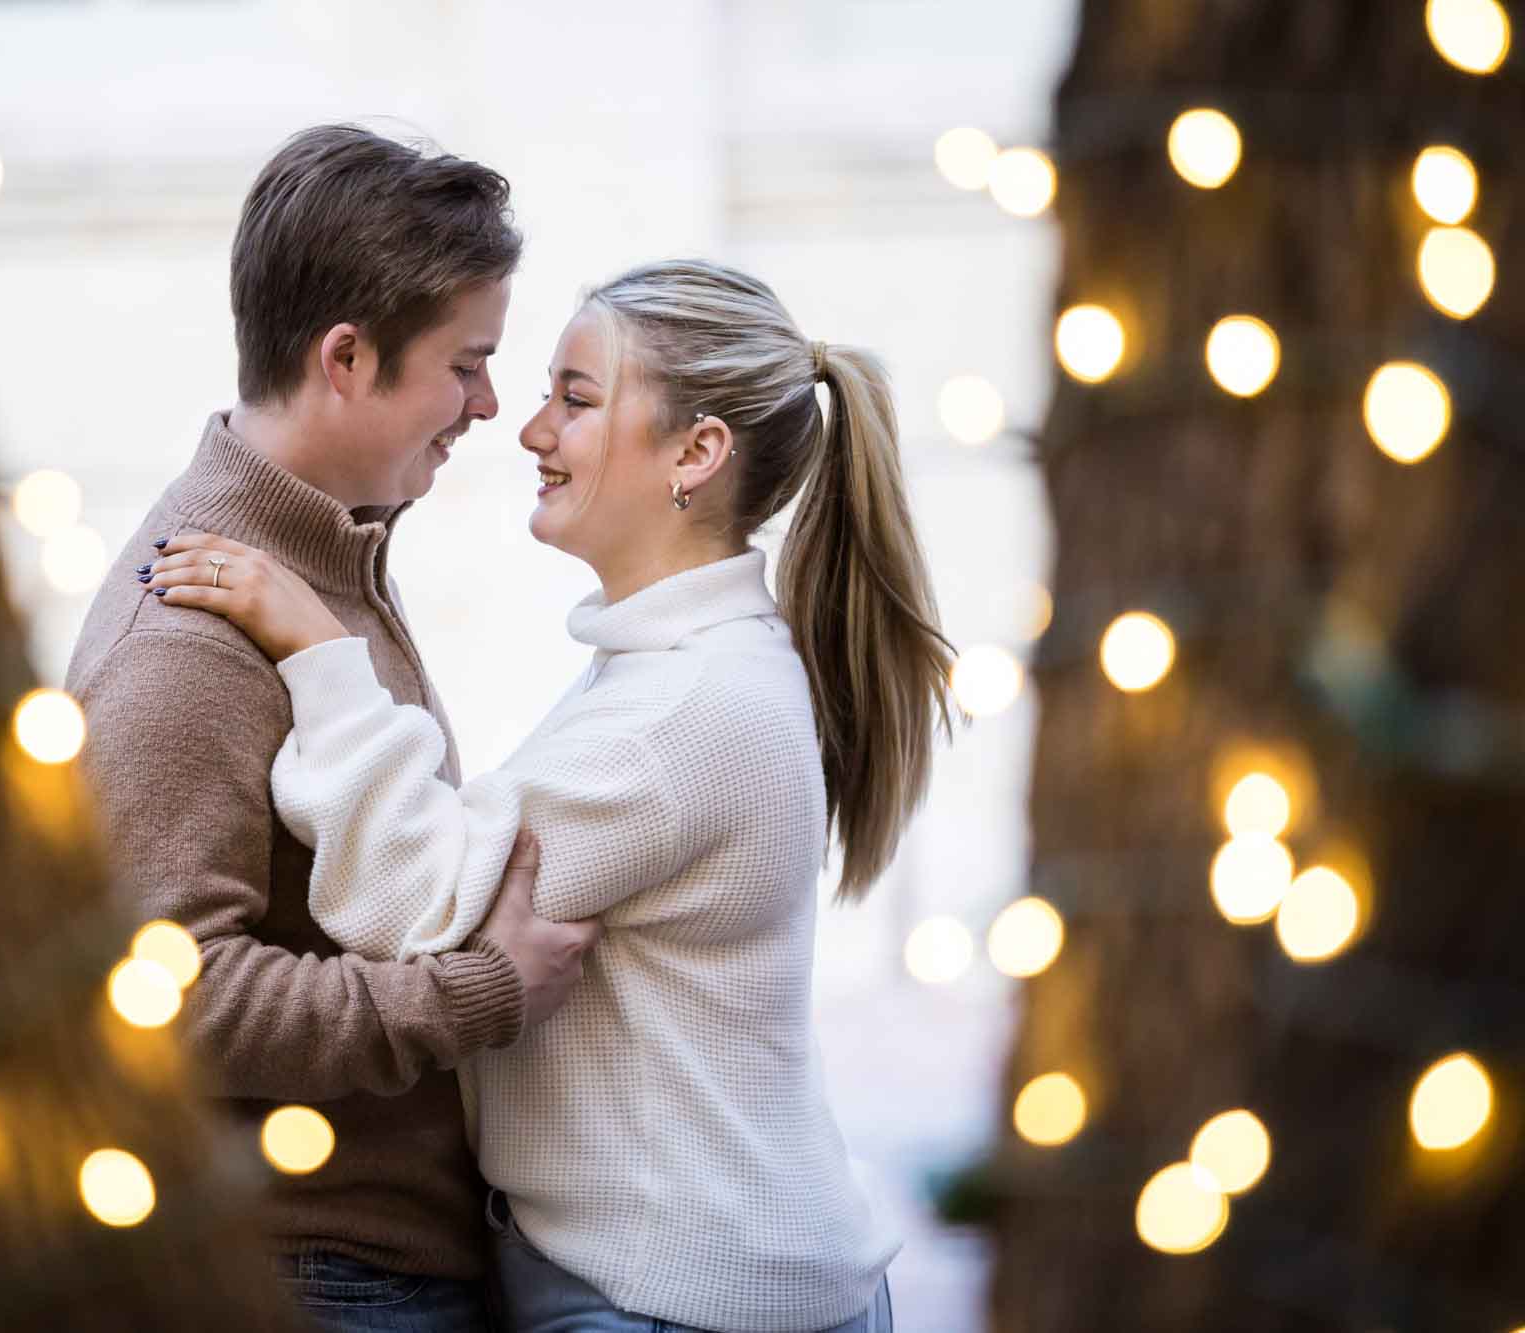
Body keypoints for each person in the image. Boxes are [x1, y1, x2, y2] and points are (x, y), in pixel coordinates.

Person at [144, 258, 955, 1332]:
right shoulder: (678, 668)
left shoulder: (686, 710)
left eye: (573, 399)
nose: (528, 429)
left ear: (694, 453)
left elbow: (411, 904)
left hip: (677, 1300)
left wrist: (318, 650)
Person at [64, 124, 602, 1333]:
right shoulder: (189, 641)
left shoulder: (319, 550)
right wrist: (479, 992)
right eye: (465, 364)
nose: (489, 405)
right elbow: (173, 992)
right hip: (318, 1282)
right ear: (347, 358)